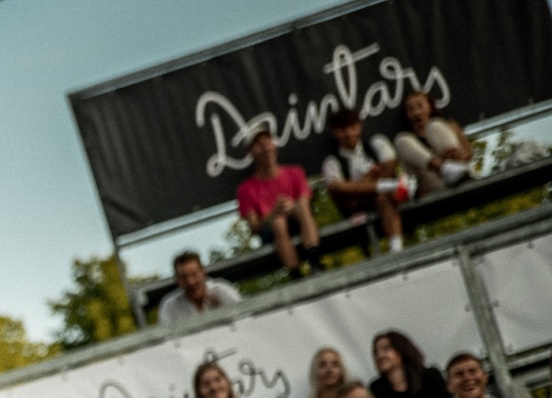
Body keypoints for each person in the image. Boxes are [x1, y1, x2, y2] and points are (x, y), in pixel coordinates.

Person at [235, 129, 322, 277]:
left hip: (299, 220)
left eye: (268, 142)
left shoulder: (295, 172)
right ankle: (296, 274)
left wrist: (291, 207)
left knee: (301, 207)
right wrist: (274, 213)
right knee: (279, 222)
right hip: (271, 232)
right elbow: (255, 228)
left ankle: (314, 260)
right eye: (259, 145)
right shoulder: (245, 189)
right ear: (250, 152)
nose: (266, 148)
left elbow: (305, 201)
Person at [319, 107, 407, 251]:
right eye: (342, 130)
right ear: (334, 132)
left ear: (359, 126)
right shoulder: (332, 162)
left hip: (386, 199)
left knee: (382, 198)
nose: (348, 134)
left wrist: (361, 185)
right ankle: (390, 186)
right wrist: (370, 177)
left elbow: (389, 168)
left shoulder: (376, 143)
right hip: (356, 209)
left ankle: (396, 249)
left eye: (352, 127)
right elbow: (338, 188)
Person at [369, 330, 456, 398]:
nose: (380, 355)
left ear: (401, 349)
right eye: (375, 352)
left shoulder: (430, 377)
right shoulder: (376, 390)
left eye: (386, 349)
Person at [393, 89, 473, 196]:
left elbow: (469, 152)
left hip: (461, 171)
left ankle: (455, 172)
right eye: (410, 110)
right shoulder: (407, 140)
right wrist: (439, 163)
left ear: (430, 106)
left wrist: (459, 155)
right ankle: (446, 169)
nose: (417, 113)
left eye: (420, 106)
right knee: (401, 140)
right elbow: (410, 176)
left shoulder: (449, 125)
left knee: (435, 126)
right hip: (434, 185)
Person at [157, 249, 242, 326]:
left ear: (203, 272)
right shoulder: (169, 306)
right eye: (184, 277)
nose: (190, 282)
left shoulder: (223, 291)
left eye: (194, 274)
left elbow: (243, 317)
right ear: (177, 279)